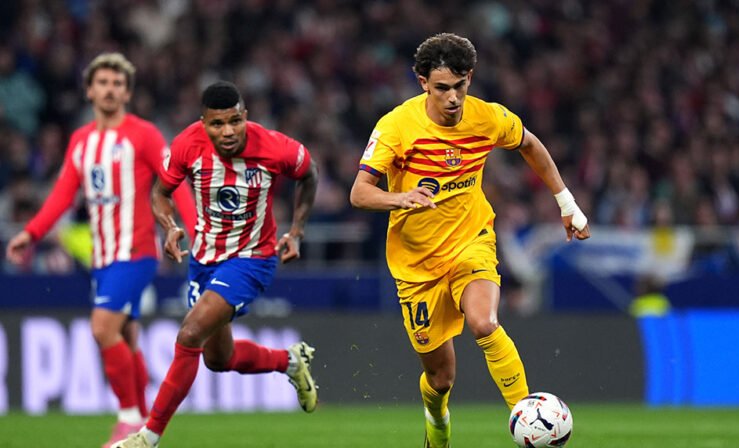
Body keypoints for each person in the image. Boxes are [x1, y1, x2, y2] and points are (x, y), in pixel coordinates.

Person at [349, 33, 591, 448]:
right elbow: (359, 192)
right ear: (422, 81)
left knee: (485, 322)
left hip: (470, 241)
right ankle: (438, 427)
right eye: (442, 88)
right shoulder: (396, 126)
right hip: (416, 265)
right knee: (440, 379)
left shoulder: (487, 117)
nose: (453, 98)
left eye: (460, 87)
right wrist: (400, 197)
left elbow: (529, 144)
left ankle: (529, 421)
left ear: (470, 80)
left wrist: (565, 201)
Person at [112, 81, 320, 448]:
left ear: (246, 117)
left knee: (190, 333)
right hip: (204, 259)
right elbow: (160, 193)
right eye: (218, 124)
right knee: (218, 359)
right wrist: (171, 226)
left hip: (252, 259)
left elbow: (309, 174)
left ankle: (147, 437)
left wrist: (297, 231)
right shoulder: (185, 145)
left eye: (235, 122)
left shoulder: (275, 147)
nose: (228, 132)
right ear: (203, 123)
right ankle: (288, 361)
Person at [4, 53, 197, 447]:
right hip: (102, 259)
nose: (110, 89)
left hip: (137, 253)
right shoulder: (80, 141)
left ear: (127, 92)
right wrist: (33, 232)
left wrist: (198, 231)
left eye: (117, 84)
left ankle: (128, 420)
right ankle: (144, 423)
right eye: (103, 83)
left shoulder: (144, 136)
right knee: (125, 337)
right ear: (90, 90)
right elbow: (62, 194)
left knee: (100, 327)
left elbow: (175, 182)